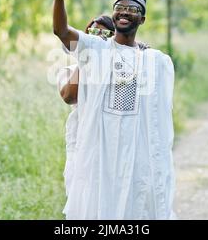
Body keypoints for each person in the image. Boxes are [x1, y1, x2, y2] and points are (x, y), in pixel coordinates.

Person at [52, 0, 176, 219]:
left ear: (142, 19)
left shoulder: (155, 61)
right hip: (99, 156)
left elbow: (157, 118)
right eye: (120, 7)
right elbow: (61, 31)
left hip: (135, 160)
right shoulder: (95, 49)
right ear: (113, 12)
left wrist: (139, 54)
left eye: (133, 9)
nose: (125, 12)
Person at [57, 15, 149, 214]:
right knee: (82, 200)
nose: (98, 36)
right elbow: (69, 95)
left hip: (112, 147)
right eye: (93, 32)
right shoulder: (71, 69)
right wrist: (87, 58)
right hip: (81, 145)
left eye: (104, 33)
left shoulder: (121, 71)